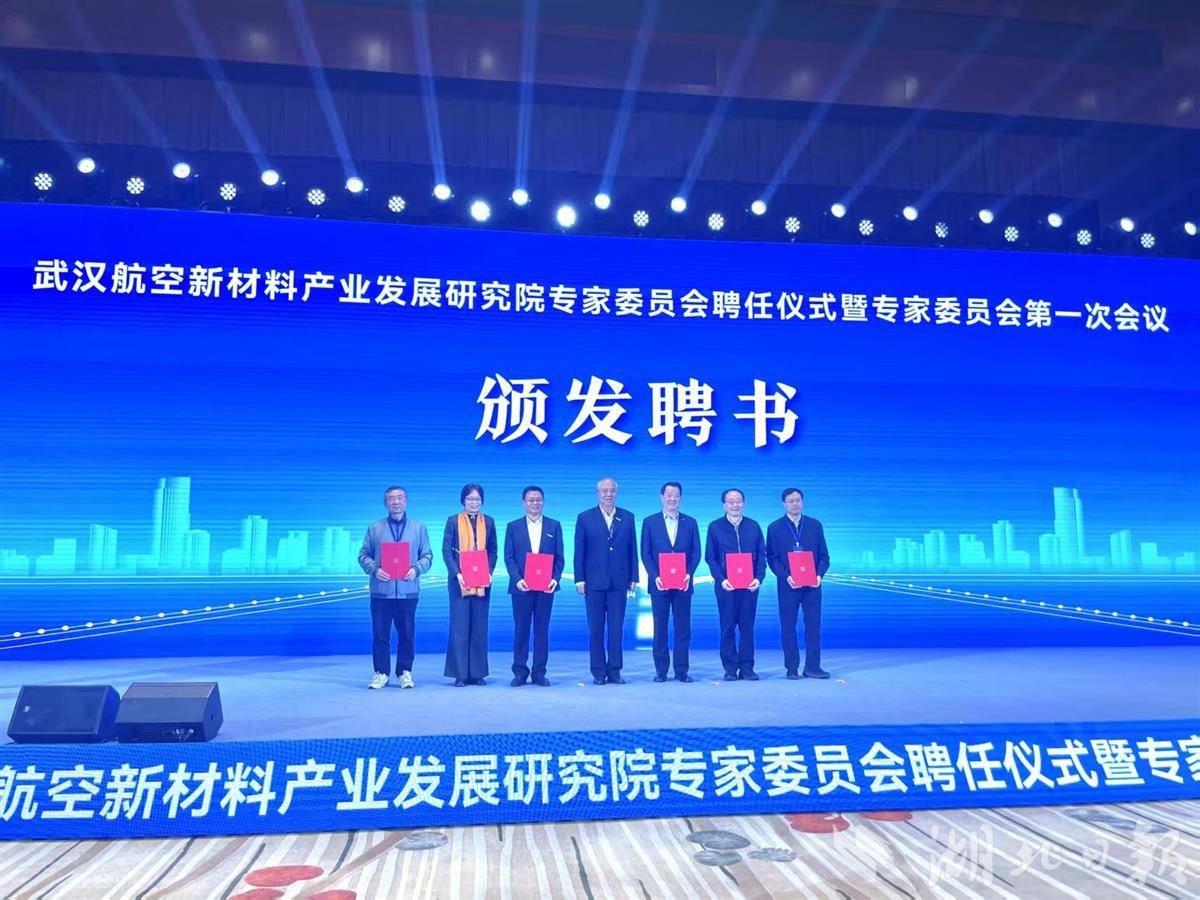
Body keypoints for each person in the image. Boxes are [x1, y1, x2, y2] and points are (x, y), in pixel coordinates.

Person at [358, 486, 433, 690]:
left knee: (407, 635)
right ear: (386, 503)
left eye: (400, 498)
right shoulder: (375, 528)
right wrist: (375, 569)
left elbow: (427, 556)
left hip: (408, 592)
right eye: (391, 498)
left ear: (406, 502)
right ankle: (381, 673)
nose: (396, 502)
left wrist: (416, 569)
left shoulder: (418, 528)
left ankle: (404, 672)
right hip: (381, 592)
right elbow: (363, 555)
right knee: (380, 635)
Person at [574, 477, 637, 685]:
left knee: (616, 629)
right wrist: (579, 578)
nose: (608, 494)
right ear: (597, 493)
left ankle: (615, 671)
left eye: (612, 491)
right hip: (594, 583)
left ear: (616, 493)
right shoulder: (585, 517)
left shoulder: (627, 517)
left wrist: (634, 576)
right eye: (604, 491)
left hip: (619, 582)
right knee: (596, 629)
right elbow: (579, 550)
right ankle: (598, 672)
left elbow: (632, 549)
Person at [766, 487, 831, 679]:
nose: (795, 504)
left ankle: (813, 667)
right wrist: (786, 576)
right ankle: (791, 668)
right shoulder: (775, 528)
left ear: (802, 502)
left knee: (813, 626)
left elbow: (824, 556)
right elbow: (772, 558)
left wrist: (819, 575)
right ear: (783, 504)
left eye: (798, 500)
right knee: (788, 627)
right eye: (791, 501)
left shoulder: (814, 525)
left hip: (812, 586)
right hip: (788, 585)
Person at [640, 481, 701, 682]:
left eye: (676, 495)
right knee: (660, 629)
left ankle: (682, 670)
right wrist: (655, 576)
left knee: (683, 629)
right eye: (669, 495)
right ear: (662, 497)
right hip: (659, 585)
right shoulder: (650, 522)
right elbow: (646, 554)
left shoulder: (690, 522)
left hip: (683, 584)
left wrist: (689, 574)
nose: (672, 499)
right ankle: (661, 671)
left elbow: (696, 553)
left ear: (680, 498)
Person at [503, 485, 564, 686]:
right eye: (531, 500)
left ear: (543, 502)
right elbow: (509, 557)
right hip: (522, 588)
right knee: (521, 630)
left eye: (538, 500)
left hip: (546, 587)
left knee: (542, 630)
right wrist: (517, 579)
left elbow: (560, 558)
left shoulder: (554, 526)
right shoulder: (513, 526)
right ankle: (520, 672)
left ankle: (539, 673)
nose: (535, 503)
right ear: (523, 503)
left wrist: (555, 578)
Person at [704, 489, 766, 681]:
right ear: (724, 505)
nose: (735, 505)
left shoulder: (753, 526)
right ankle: (730, 668)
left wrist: (759, 578)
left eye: (738, 501)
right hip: (726, 586)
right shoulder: (715, 527)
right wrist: (721, 579)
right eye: (730, 502)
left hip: (749, 586)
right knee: (727, 627)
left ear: (744, 503)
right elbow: (710, 558)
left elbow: (761, 555)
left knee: (747, 627)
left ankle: (747, 668)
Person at [442, 483, 498, 686]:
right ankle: (460, 674)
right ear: (463, 500)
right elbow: (446, 550)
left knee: (479, 626)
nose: (474, 503)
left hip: (482, 581)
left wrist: (489, 573)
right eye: (470, 499)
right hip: (460, 581)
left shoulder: (489, 521)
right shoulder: (453, 521)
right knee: (460, 626)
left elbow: (493, 550)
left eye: (477, 499)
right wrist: (457, 574)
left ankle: (477, 673)